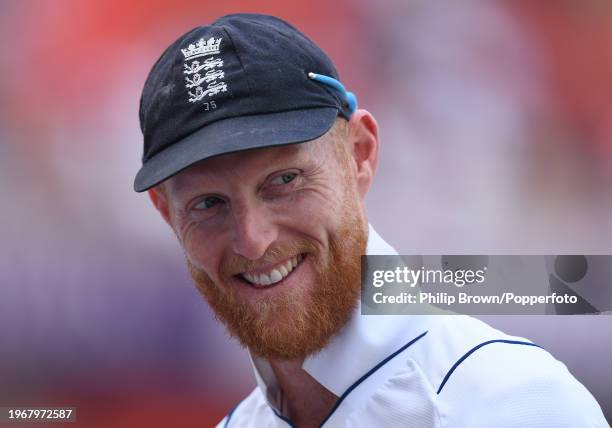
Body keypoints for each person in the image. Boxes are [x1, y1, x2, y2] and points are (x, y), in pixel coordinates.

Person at [134, 13, 609, 428]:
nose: (253, 241)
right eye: (208, 204)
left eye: (284, 180)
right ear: (166, 212)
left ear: (360, 154)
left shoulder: (515, 406)